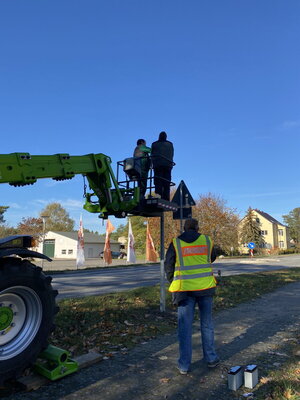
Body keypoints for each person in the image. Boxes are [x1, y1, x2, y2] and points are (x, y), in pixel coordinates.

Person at [165, 218, 219, 374]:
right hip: (206, 288)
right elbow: (212, 257)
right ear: (197, 227)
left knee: (185, 327)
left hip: (184, 291)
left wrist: (172, 280)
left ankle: (184, 365)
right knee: (207, 324)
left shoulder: (176, 243)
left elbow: (169, 265)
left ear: (184, 228)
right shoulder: (207, 240)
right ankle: (211, 358)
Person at [151, 131, 174, 201]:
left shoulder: (154, 144)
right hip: (168, 165)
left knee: (158, 181)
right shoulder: (170, 144)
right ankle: (166, 198)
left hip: (158, 165)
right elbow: (172, 154)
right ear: (166, 137)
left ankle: (158, 195)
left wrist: (153, 164)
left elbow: (152, 155)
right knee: (166, 182)